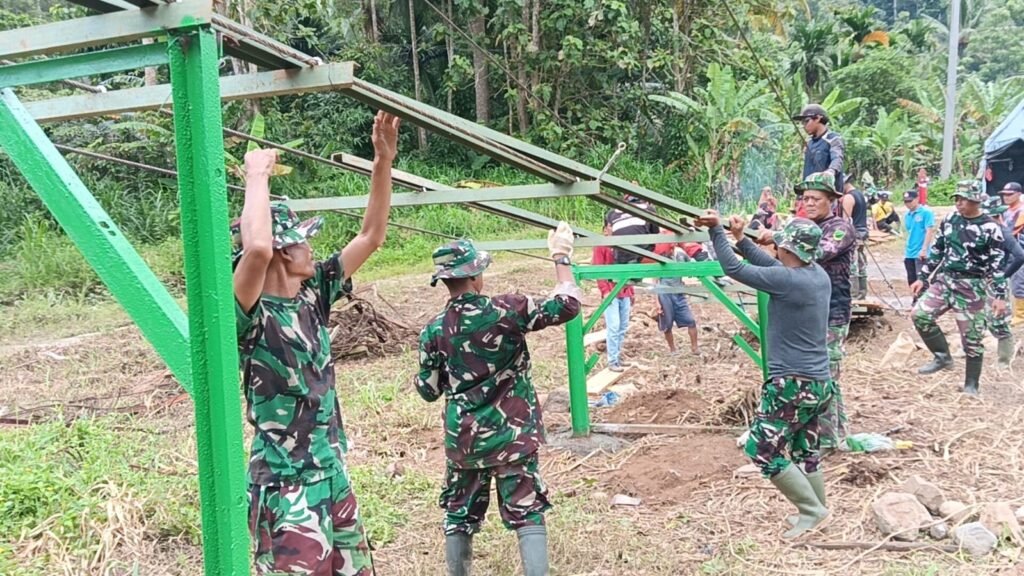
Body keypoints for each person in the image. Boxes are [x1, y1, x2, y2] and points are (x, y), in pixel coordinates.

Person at [232, 112, 400, 576]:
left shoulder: (314, 294)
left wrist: (382, 163)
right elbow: (257, 250)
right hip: (285, 485)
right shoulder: (249, 313)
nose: (313, 248)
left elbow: (371, 235)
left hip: (331, 473)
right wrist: (256, 174)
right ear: (286, 250)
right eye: (304, 240)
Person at [413, 226, 582, 576]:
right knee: (526, 511)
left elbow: (428, 391)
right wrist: (561, 257)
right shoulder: (506, 309)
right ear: (476, 276)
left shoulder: (434, 329)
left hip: (465, 442)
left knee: (459, 514)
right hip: (513, 437)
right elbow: (567, 306)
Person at [696, 210, 834, 540]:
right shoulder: (815, 275)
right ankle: (819, 510)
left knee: (762, 449)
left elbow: (734, 269)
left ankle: (812, 511)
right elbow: (768, 265)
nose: (777, 249)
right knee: (805, 449)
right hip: (819, 383)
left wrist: (717, 231)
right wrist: (740, 238)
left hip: (792, 384)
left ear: (789, 249)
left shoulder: (788, 281)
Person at [757, 172, 854, 451]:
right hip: (807, 314)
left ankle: (828, 440)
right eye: (806, 198)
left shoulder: (839, 228)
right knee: (818, 379)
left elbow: (812, 254)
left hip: (831, 312)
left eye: (817, 199)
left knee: (825, 376)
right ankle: (834, 433)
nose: (809, 203)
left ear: (832, 201)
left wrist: (776, 237)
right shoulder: (802, 228)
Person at [911, 187, 1007, 395]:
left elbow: (997, 264)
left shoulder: (990, 227)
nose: (959, 203)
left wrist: (1000, 296)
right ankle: (942, 356)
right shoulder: (950, 220)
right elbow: (937, 250)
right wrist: (922, 277)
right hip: (946, 281)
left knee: (971, 338)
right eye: (957, 199)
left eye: (964, 199)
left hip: (972, 286)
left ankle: (971, 384)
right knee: (920, 315)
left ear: (976, 202)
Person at [982, 196, 1024, 366]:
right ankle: (969, 348)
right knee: (975, 316)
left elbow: (1020, 256)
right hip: (981, 279)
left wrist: (1004, 275)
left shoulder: (1004, 233)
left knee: (998, 320)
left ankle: (1004, 360)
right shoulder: (985, 231)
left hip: (997, 282)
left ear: (997, 216)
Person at [592, 224, 634, 372]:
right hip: (611, 291)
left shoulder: (622, 244)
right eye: (611, 227)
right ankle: (612, 361)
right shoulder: (601, 246)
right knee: (614, 326)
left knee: (622, 326)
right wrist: (604, 290)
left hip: (624, 290)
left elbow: (629, 269)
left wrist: (631, 291)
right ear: (605, 229)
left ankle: (617, 356)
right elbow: (598, 269)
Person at [792, 103, 845, 218]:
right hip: (809, 197)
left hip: (825, 198)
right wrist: (799, 198)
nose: (804, 126)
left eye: (806, 121)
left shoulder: (833, 139)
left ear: (818, 118)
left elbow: (837, 158)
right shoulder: (809, 143)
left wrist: (830, 171)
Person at [652, 242, 702, 357]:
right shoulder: (660, 257)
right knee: (667, 324)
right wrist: (656, 301)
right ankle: (672, 349)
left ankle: (695, 347)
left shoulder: (680, 255)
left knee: (690, 321)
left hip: (678, 292)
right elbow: (655, 280)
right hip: (664, 293)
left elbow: (690, 267)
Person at [604, 195, 660, 264]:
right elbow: (656, 232)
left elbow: (609, 233)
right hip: (642, 255)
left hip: (620, 257)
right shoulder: (648, 208)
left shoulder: (612, 213)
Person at [840, 176, 869, 300]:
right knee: (861, 263)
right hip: (863, 233)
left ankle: (853, 294)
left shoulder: (848, 198)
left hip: (854, 234)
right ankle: (862, 292)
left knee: (852, 265)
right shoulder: (860, 195)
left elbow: (845, 221)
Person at [998, 182, 1024, 326]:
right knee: (1010, 281)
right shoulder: (1006, 211)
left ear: (1019, 194)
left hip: (1019, 249)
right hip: (1008, 250)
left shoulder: (1022, 211)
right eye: (1004, 194)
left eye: (1009, 194)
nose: (1006, 197)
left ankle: (1020, 315)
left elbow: (1012, 230)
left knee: (1019, 281)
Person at [902, 190, 936, 291]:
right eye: (906, 202)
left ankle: (923, 302)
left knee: (921, 280)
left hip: (920, 252)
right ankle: (915, 301)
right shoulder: (907, 215)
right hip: (909, 252)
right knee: (911, 280)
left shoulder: (926, 213)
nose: (908, 204)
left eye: (910, 201)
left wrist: (924, 249)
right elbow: (909, 231)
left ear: (917, 199)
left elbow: (929, 231)